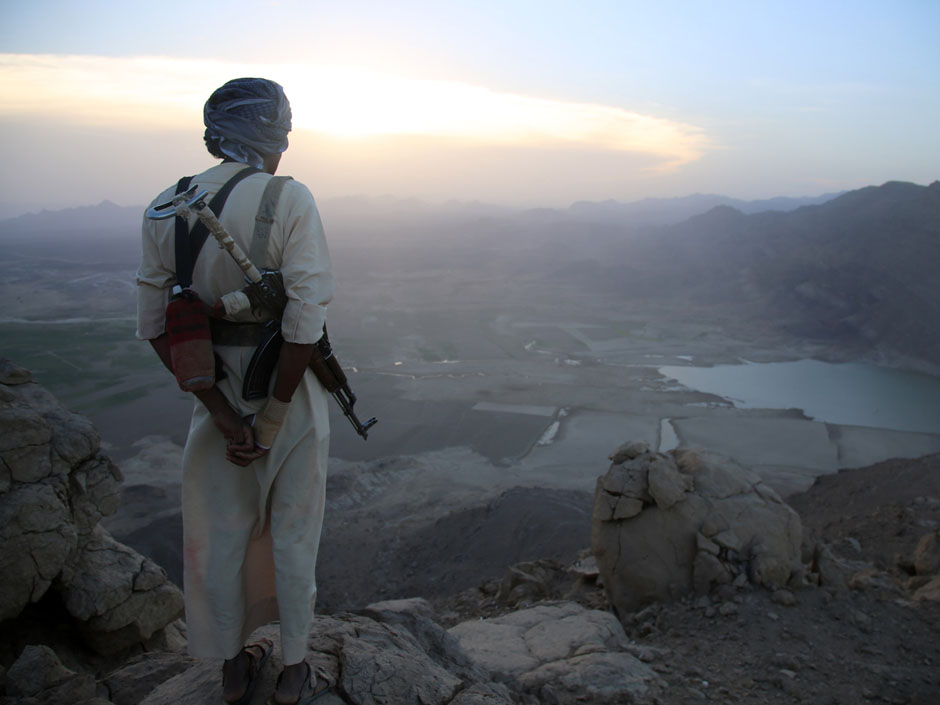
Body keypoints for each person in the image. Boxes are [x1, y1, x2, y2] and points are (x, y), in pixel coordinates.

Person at [136, 78, 334, 705]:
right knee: (295, 529)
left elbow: (153, 327)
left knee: (217, 534)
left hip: (212, 394)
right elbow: (306, 321)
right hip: (287, 392)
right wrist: (272, 416)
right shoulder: (290, 197)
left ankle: (229, 666)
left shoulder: (166, 206)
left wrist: (222, 415)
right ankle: (295, 669)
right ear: (272, 137)